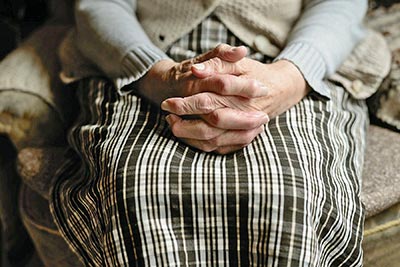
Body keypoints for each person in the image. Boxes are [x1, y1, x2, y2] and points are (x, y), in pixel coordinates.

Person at [50, 0, 381, 265]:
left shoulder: (291, 69)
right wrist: (158, 76)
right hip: (146, 60)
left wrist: (287, 79)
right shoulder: (150, 68)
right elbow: (100, 5)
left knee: (288, 193)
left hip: (291, 58)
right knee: (139, 188)